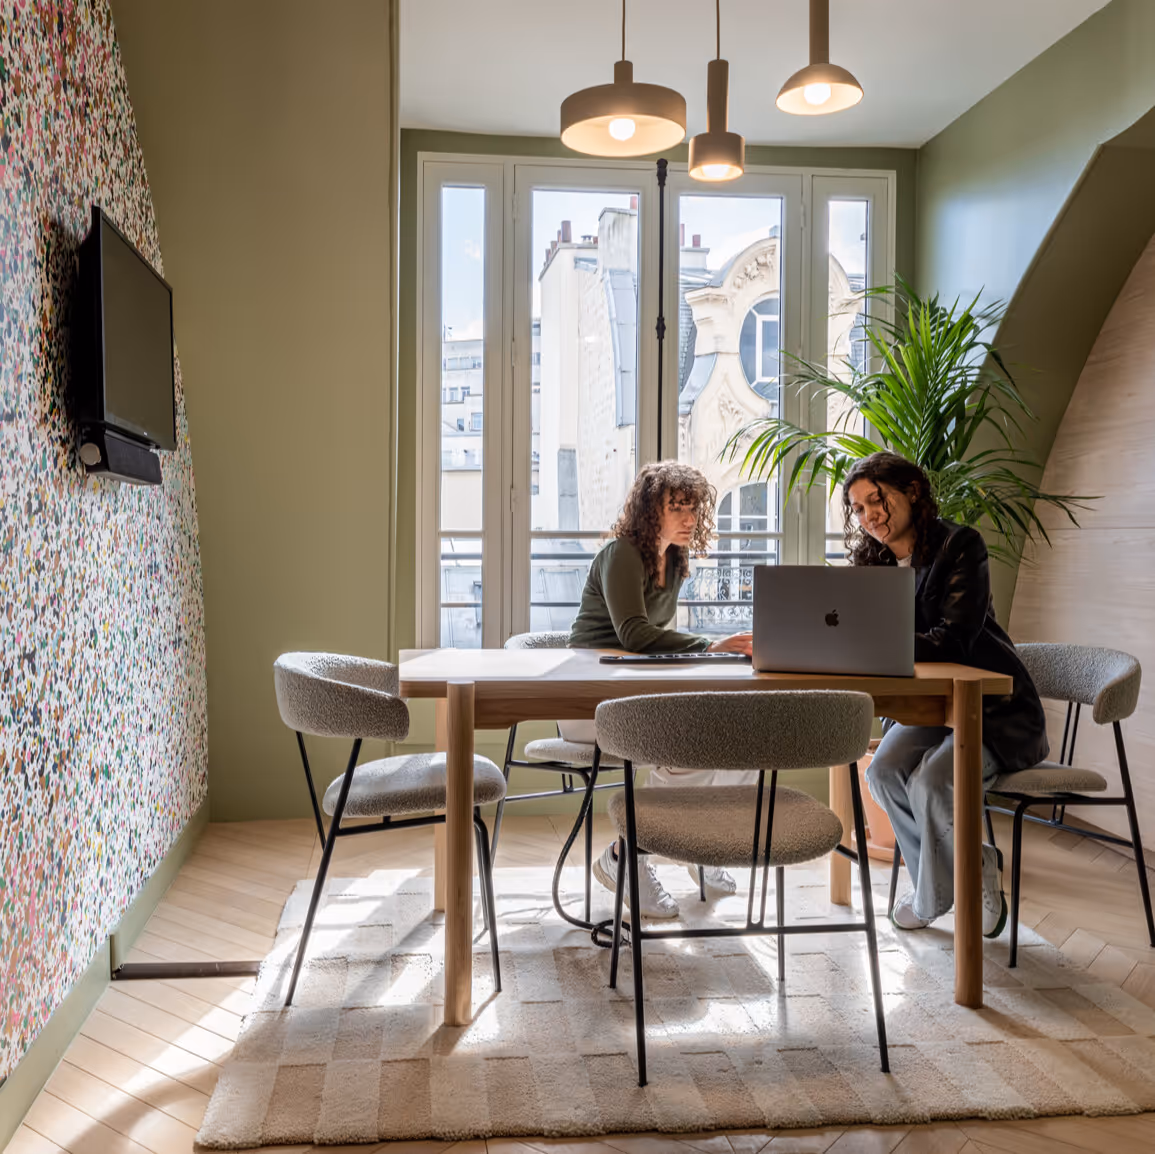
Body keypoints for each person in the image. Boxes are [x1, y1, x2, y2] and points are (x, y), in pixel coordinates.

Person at [844, 451, 1050, 936]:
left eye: (878, 500)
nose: (869, 516)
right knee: (884, 772)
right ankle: (975, 866)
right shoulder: (870, 560)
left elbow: (954, 636)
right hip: (930, 704)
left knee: (933, 783)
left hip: (995, 707)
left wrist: (872, 641)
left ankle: (932, 897)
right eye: (857, 508)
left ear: (912, 491)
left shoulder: (961, 545)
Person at [567, 461, 753, 918]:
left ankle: (702, 847)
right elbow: (633, 634)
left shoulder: (675, 560)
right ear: (652, 509)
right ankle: (627, 856)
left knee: (743, 741)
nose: (690, 519)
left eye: (694, 508)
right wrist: (710, 644)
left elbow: (654, 645)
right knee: (687, 744)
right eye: (677, 508)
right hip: (585, 698)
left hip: (633, 691)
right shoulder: (623, 554)